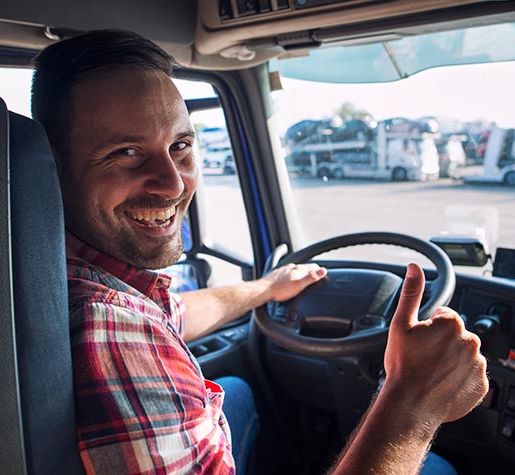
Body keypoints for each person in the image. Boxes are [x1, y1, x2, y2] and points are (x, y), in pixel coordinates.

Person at [32, 29, 488, 475]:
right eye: (126, 152)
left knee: (236, 391)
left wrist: (268, 287)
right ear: (49, 164)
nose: (173, 183)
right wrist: (411, 401)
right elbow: (128, 326)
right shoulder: (108, 327)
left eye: (181, 146)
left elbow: (170, 314)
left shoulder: (60, 271)